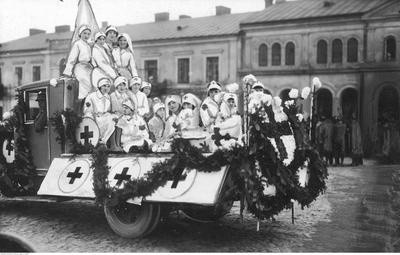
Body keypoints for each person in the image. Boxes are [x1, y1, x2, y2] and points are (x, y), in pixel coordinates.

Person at [83, 77, 121, 150]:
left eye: (108, 86)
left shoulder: (107, 97)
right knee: (111, 120)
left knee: (116, 119)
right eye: (104, 86)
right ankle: (104, 142)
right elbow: (87, 111)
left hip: (104, 117)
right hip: (95, 119)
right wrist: (93, 121)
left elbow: (108, 110)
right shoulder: (91, 96)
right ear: (100, 87)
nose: (106, 88)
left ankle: (115, 144)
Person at [63, 25, 94, 100]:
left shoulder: (88, 45)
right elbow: (72, 59)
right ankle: (83, 103)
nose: (86, 35)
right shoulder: (77, 44)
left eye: (88, 34)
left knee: (93, 85)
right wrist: (68, 72)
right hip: (80, 68)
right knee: (84, 84)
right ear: (80, 34)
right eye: (84, 33)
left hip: (88, 68)